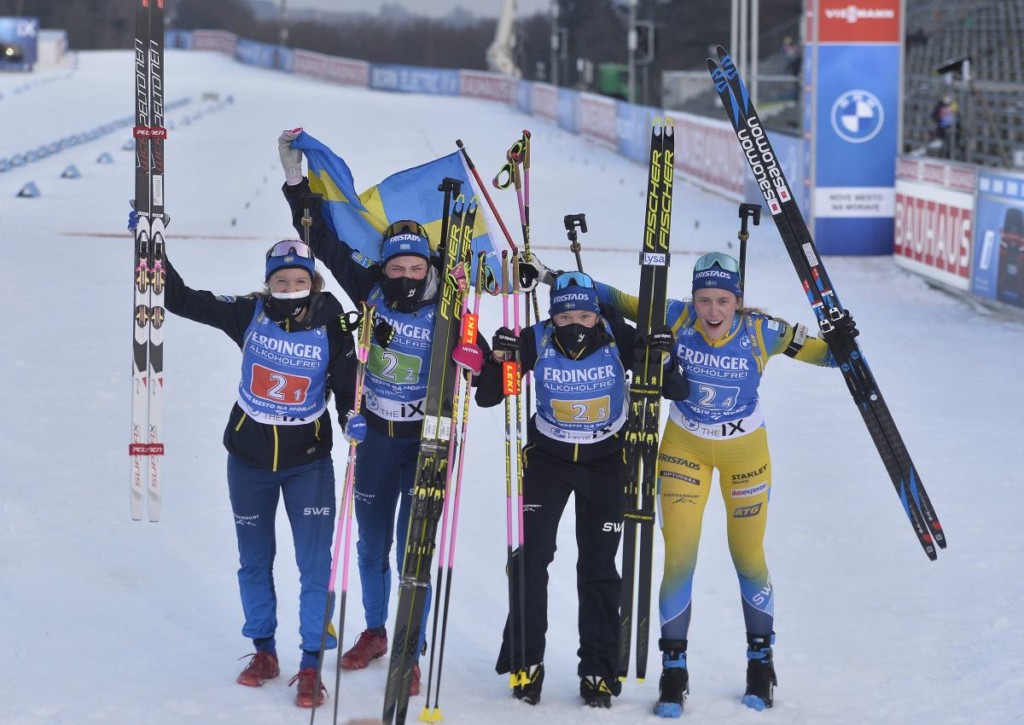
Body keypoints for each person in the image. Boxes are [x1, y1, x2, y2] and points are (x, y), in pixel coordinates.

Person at [276, 129, 499, 697]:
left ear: (428, 267)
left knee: (412, 550)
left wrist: (482, 361)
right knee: (370, 546)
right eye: (396, 267)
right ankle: (376, 631)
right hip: (374, 435)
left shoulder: (454, 303)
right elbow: (323, 240)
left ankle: (408, 647)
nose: (403, 276)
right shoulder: (369, 287)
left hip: (428, 441)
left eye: (413, 268)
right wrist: (297, 183)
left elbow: (492, 381)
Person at [583, 251, 854, 716]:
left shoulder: (764, 331)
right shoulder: (675, 315)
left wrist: (843, 342)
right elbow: (613, 297)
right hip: (683, 449)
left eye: (723, 301)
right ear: (693, 299)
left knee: (748, 557)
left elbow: (830, 358)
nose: (712, 311)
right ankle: (674, 672)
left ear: (737, 302)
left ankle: (761, 664)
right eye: (704, 300)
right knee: (679, 559)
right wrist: (552, 278)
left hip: (744, 454)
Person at [158, 233, 359, 709]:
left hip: (307, 463)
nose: (290, 287)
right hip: (248, 461)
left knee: (315, 564)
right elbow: (179, 299)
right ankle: (264, 652)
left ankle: (310, 664)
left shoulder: (333, 324)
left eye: (298, 280)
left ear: (313, 282)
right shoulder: (249, 312)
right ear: (269, 283)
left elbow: (348, 382)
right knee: (254, 559)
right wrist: (151, 248)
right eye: (280, 280)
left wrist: (352, 417)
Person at [476, 271, 688, 709]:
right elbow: (489, 396)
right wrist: (498, 359)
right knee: (529, 560)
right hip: (547, 461)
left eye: (585, 316)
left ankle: (598, 669)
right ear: (552, 317)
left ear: (597, 314)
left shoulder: (618, 336)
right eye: (566, 316)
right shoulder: (534, 338)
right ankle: (526, 661)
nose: (576, 324)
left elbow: (675, 389)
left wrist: (665, 359)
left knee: (599, 567)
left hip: (606, 463)